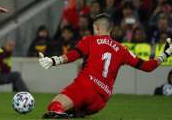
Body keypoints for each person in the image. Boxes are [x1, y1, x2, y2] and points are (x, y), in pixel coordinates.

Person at [38, 13, 172, 118]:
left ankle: (61, 113)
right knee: (73, 113)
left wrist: (54, 61)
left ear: (96, 28)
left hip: (85, 86)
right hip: (100, 101)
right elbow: (148, 67)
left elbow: (74, 55)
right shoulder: (122, 49)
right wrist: (165, 54)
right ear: (111, 28)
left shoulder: (90, 40)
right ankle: (73, 113)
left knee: (54, 107)